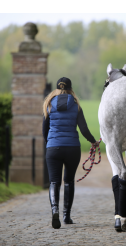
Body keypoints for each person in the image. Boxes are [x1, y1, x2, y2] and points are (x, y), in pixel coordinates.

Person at [42, 77, 99, 229]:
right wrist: (93, 142)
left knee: (54, 182)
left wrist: (50, 143)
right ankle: (66, 216)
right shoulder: (76, 106)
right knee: (68, 181)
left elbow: (44, 129)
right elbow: (84, 129)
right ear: (70, 89)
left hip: (53, 148)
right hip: (72, 148)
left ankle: (55, 211)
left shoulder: (49, 104)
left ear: (57, 88)